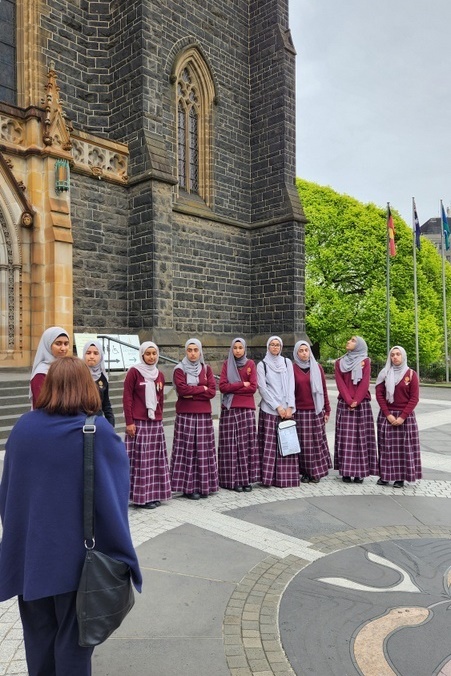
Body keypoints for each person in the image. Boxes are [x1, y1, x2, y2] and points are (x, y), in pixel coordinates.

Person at [0, 357, 142, 676]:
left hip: (31, 563)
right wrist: (124, 557)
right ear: (87, 387)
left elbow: (8, 496)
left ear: (49, 386)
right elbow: (114, 502)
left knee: (38, 643)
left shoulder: (23, 428)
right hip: (78, 567)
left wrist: (19, 543)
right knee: (74, 650)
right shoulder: (97, 432)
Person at [123, 341, 171, 509]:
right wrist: (129, 422)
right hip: (139, 422)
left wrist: (160, 418)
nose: (151, 357)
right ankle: (140, 497)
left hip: (154, 423)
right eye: (148, 354)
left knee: (154, 461)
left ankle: (154, 494)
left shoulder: (159, 375)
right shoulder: (134, 373)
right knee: (141, 461)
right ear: (142, 355)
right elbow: (127, 398)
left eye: (154, 353)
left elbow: (161, 400)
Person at [170, 338, 218, 500]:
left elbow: (212, 391)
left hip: (204, 414)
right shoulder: (179, 369)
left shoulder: (206, 369)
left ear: (200, 351)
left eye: (195, 350)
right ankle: (188, 487)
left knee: (204, 451)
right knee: (187, 450)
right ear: (185, 351)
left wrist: (193, 393)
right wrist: (201, 389)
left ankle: (205, 485)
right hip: (186, 414)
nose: (192, 353)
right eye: (189, 350)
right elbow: (182, 391)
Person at [375, 345, 421, 488]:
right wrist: (388, 414)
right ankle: (385, 475)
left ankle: (400, 477)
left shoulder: (411, 375)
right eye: (392, 354)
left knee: (402, 449)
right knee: (386, 448)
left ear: (403, 356)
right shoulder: (385, 373)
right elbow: (379, 395)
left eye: (398, 354)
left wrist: (402, 417)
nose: (395, 357)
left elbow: (414, 398)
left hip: (405, 418)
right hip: (387, 416)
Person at [334, 335, 378, 483]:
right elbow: (340, 383)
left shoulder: (365, 362)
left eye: (353, 340)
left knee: (361, 439)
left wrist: (356, 401)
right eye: (349, 340)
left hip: (361, 405)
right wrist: (348, 400)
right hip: (345, 404)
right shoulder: (339, 363)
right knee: (345, 439)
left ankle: (359, 471)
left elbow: (365, 382)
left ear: (359, 345)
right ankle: (346, 471)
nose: (348, 341)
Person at [218, 337, 260, 492]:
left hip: (246, 409)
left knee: (246, 445)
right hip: (230, 409)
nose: (237, 350)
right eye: (235, 347)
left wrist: (233, 387)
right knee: (231, 446)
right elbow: (222, 387)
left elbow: (253, 388)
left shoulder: (250, 364)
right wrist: (242, 384)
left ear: (244, 349)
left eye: (240, 347)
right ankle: (232, 480)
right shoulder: (227, 364)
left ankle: (246, 480)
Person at [257, 335, 299, 487]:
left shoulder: (287, 363)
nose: (275, 347)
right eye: (272, 345)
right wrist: (277, 406)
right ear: (268, 347)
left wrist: (289, 406)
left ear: (281, 347)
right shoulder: (263, 365)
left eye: (277, 345)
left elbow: (291, 385)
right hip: (269, 409)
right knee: (269, 446)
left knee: (286, 445)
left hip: (286, 409)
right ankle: (268, 478)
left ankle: (285, 478)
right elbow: (263, 388)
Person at [293, 340, 332, 483]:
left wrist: (327, 409)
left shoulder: (318, 368)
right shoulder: (293, 368)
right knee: (304, 444)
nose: (304, 353)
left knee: (316, 442)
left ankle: (317, 471)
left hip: (316, 410)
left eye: (306, 350)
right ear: (296, 353)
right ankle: (305, 472)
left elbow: (323, 390)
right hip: (300, 411)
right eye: (301, 351)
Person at [29, 326, 70, 407]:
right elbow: (43, 404)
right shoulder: (41, 374)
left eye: (66, 344)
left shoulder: (67, 368)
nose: (63, 348)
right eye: (58, 344)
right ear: (48, 344)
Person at [82, 339, 115, 426]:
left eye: (96, 353)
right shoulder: (77, 375)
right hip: (79, 422)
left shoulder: (103, 377)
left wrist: (110, 425)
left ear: (101, 356)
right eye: (88, 353)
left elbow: (106, 404)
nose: (92, 356)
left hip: (97, 422)